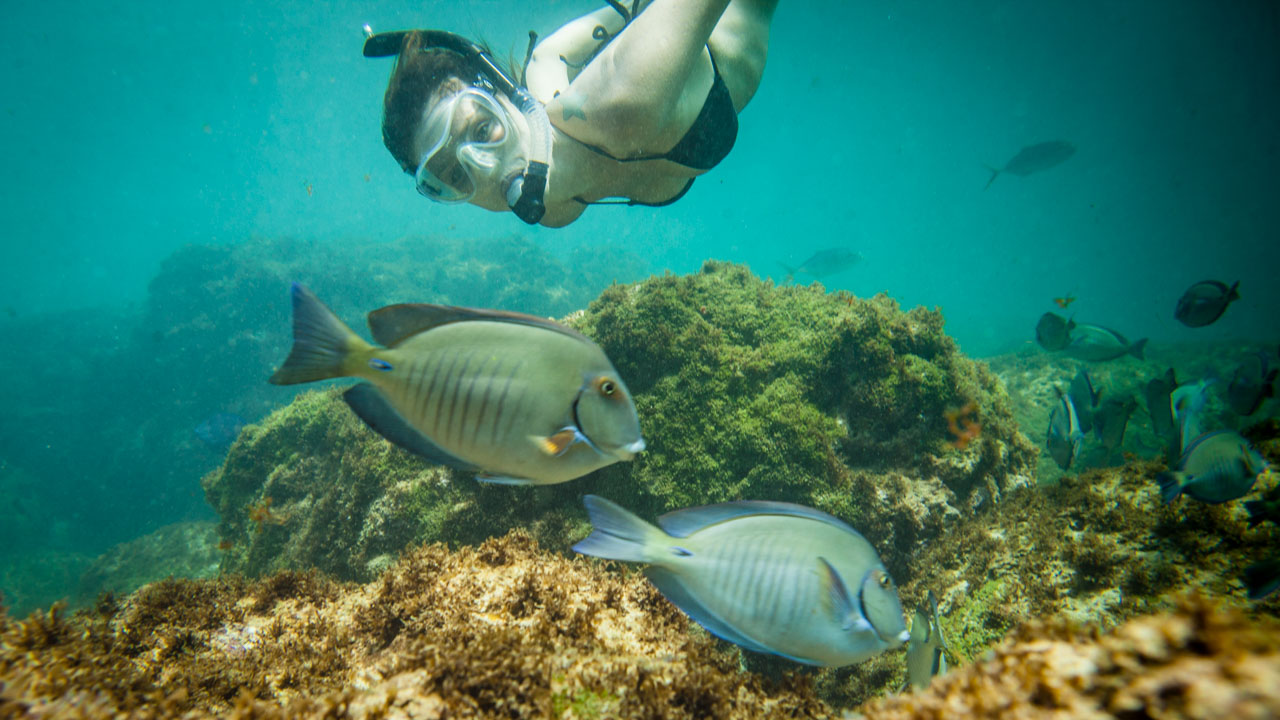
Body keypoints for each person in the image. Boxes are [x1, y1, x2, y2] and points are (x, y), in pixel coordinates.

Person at [363, 0, 779, 227]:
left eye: (483, 129)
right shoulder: (553, 209)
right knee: (546, 61)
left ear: (501, 96)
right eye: (454, 176)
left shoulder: (625, 101)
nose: (486, 172)